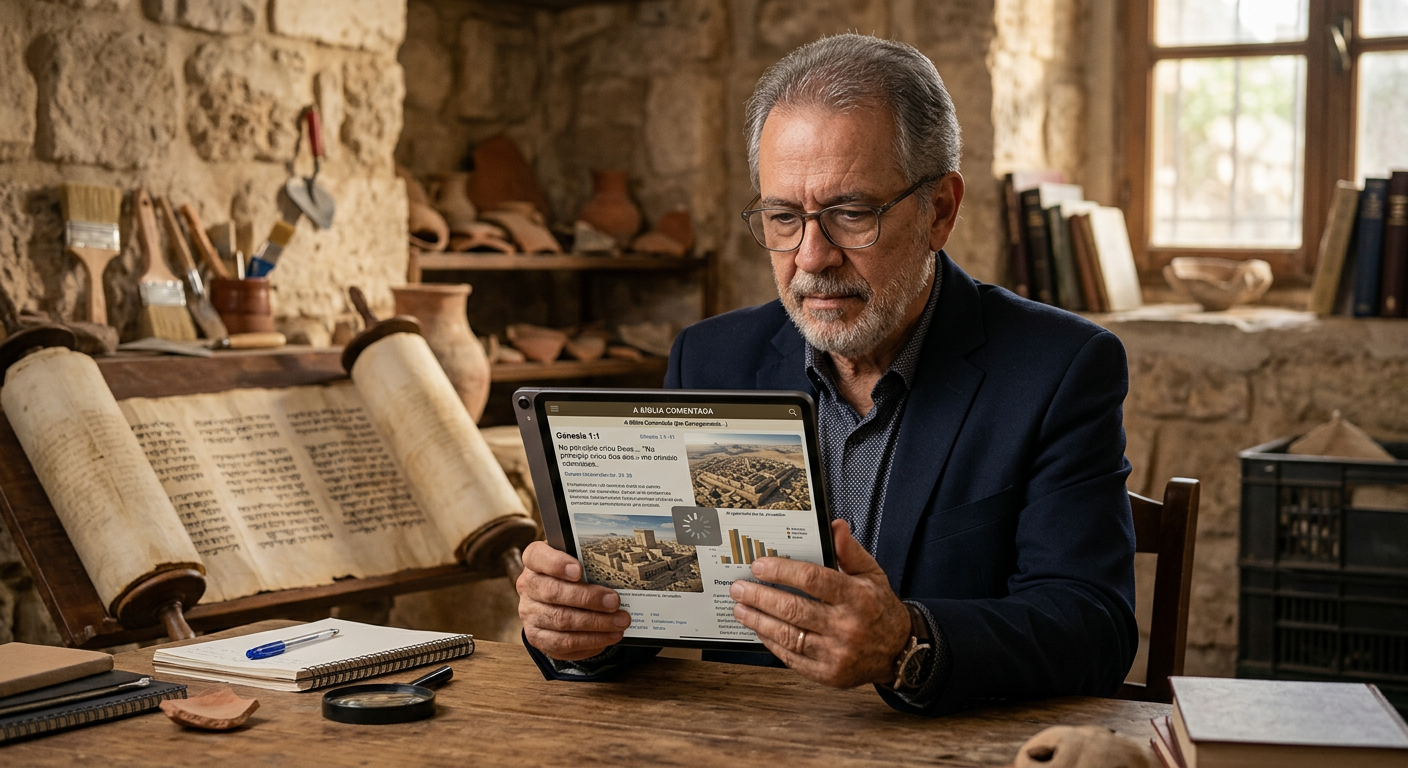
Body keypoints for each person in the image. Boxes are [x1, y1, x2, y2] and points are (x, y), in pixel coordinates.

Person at [516, 33, 1137, 716]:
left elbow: (1093, 629)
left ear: (940, 211)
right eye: (784, 217)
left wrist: (909, 646)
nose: (812, 257)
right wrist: (578, 624)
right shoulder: (710, 359)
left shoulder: (1058, 367)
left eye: (851, 213)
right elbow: (660, 605)